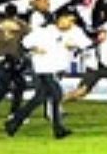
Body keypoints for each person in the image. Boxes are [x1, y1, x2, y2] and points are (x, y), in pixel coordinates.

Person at [6, 8, 82, 140]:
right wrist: (34, 49)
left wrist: (73, 46)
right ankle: (58, 129)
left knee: (39, 98)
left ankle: (13, 122)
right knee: (57, 95)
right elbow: (24, 43)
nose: (71, 24)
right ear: (59, 19)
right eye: (69, 20)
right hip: (45, 69)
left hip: (48, 68)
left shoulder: (62, 33)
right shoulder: (44, 31)